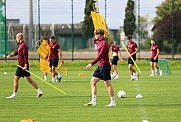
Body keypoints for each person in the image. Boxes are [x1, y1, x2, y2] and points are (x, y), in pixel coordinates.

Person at [84, 29, 116, 107]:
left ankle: (113, 101)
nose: (95, 36)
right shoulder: (98, 41)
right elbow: (95, 41)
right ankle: (93, 100)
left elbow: (100, 56)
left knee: (108, 84)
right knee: (92, 82)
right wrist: (96, 30)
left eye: (96, 34)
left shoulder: (104, 43)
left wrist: (91, 64)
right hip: (100, 66)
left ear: (100, 35)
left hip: (105, 66)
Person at [6, 33, 43, 99]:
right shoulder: (20, 45)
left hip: (22, 65)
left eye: (16, 38)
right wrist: (10, 55)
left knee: (15, 78)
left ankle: (14, 94)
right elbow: (17, 52)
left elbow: (26, 56)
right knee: (29, 80)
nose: (16, 39)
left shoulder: (23, 45)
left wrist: (25, 65)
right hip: (22, 65)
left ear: (19, 38)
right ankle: (39, 91)